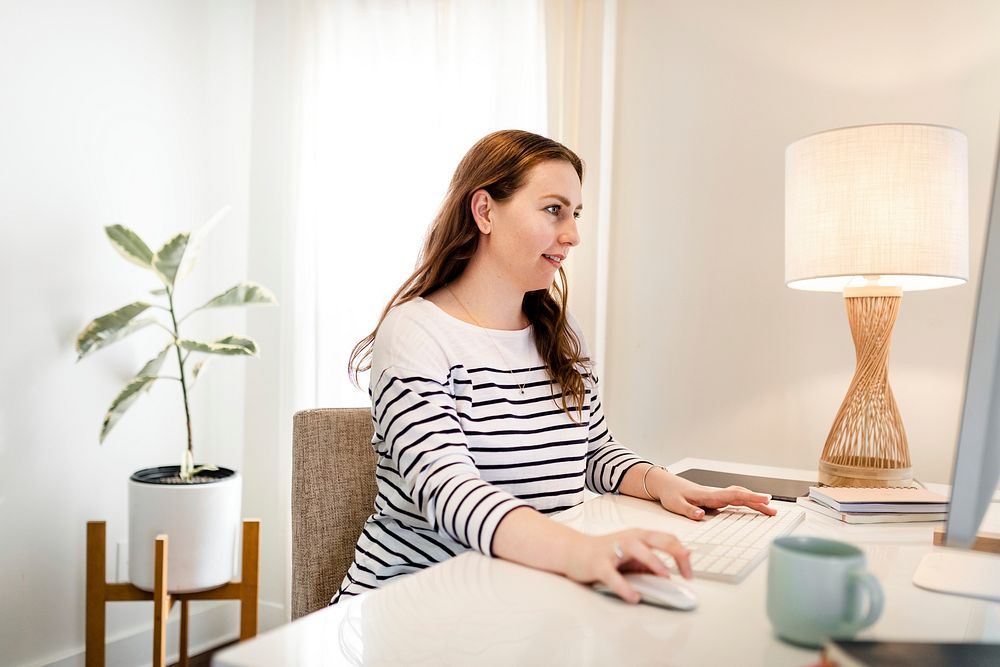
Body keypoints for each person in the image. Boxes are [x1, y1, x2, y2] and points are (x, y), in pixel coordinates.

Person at [336, 129, 774, 605]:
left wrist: (665, 484)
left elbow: (593, 452)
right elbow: (449, 492)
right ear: (484, 211)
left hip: (519, 596)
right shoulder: (415, 333)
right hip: (409, 605)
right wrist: (582, 552)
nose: (573, 234)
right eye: (553, 210)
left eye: (576, 213)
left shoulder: (560, 333)